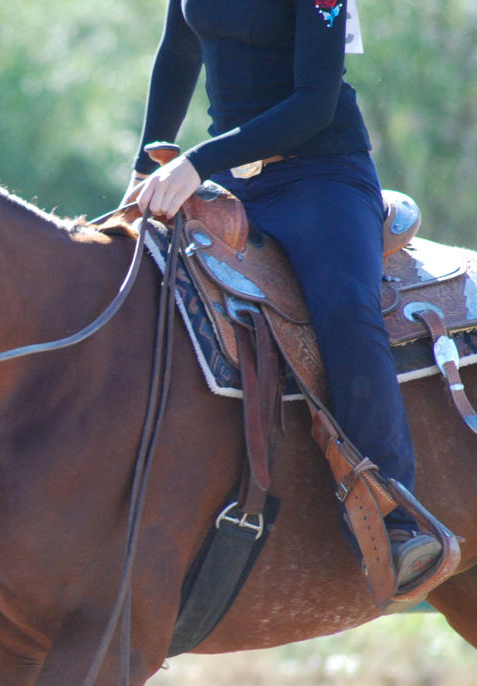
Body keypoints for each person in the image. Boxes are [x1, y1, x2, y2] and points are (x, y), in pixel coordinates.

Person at [121, 0, 441, 590]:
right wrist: (146, 168)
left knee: (347, 308)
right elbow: (178, 51)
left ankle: (394, 511)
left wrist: (194, 162)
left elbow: (314, 105)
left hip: (321, 174)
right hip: (230, 184)